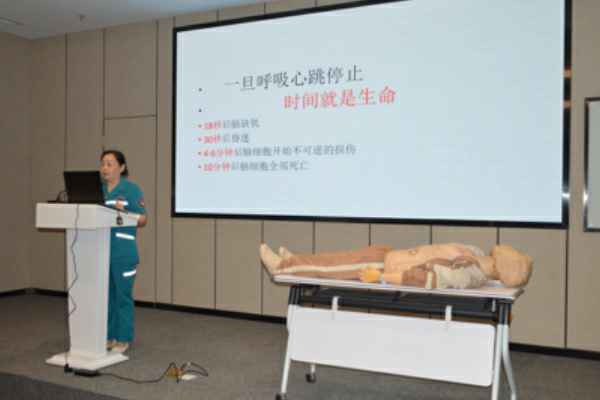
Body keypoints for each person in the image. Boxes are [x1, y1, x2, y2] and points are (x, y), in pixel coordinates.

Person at [260, 242, 533, 289]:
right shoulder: (474, 255)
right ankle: (296, 262)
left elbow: (425, 280)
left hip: (382, 266)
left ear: (498, 267)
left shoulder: (469, 275)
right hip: (388, 254)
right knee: (334, 260)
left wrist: (380, 277)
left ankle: (283, 267)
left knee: (332, 268)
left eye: (496, 258)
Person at [100, 150, 147, 353]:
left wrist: (125, 213)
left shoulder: (131, 189)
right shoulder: (98, 189)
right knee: (107, 297)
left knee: (122, 296)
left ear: (121, 167)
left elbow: (143, 219)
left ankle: (123, 337)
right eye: (103, 163)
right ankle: (109, 335)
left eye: (110, 164)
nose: (105, 168)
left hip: (123, 252)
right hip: (99, 250)